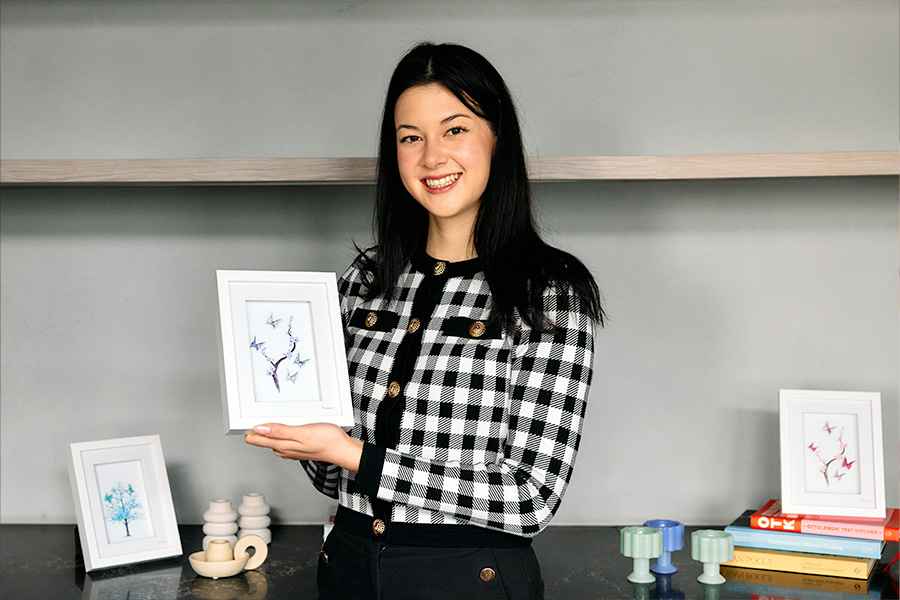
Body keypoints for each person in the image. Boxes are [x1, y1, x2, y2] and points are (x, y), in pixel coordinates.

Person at [245, 42, 604, 600]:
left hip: (470, 578)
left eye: (454, 129)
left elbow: (531, 498)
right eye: (410, 137)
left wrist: (354, 455)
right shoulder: (364, 281)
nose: (432, 157)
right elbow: (332, 475)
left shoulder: (547, 293)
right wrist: (296, 424)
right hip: (346, 569)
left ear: (498, 138)